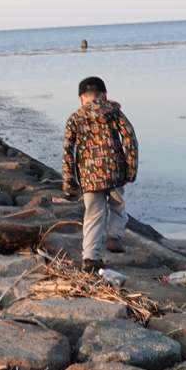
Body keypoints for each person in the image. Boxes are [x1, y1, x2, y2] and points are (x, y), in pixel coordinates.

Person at [61, 76, 138, 273]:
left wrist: (69, 183)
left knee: (93, 214)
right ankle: (114, 235)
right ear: (104, 95)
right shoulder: (114, 113)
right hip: (114, 171)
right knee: (118, 206)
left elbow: (67, 152)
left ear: (80, 98)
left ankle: (89, 258)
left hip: (88, 176)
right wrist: (131, 169)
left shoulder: (74, 119)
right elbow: (130, 138)